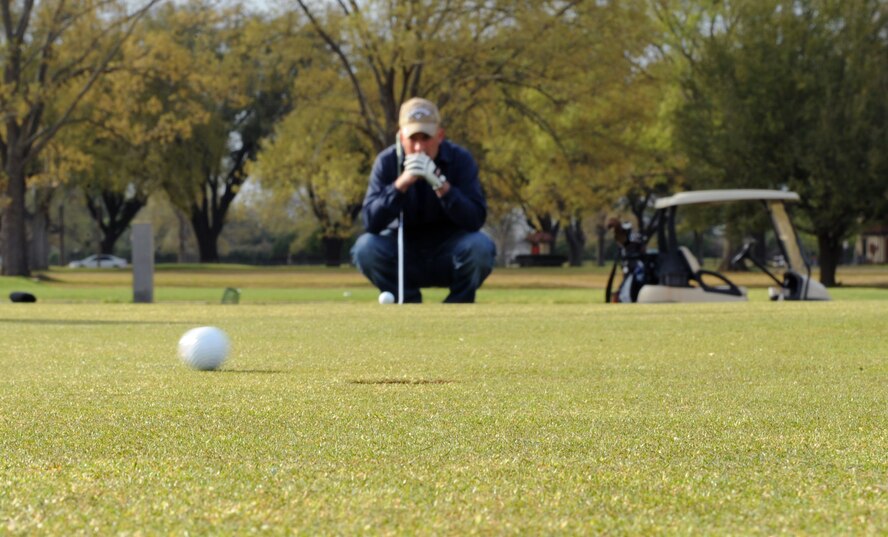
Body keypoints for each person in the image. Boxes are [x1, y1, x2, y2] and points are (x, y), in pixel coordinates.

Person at [351, 97, 496, 303]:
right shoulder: (387, 162)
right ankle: (407, 301)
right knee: (366, 248)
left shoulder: (461, 160)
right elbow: (371, 222)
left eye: (426, 138)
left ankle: (458, 305)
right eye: (413, 138)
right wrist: (401, 185)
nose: (419, 147)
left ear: (440, 135)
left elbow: (475, 219)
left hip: (450, 252)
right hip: (404, 254)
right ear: (401, 137)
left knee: (480, 246)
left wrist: (441, 185)